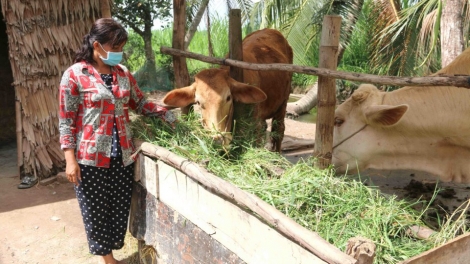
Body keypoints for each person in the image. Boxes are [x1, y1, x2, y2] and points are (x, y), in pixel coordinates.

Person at [58, 18, 176, 264]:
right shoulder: (74, 75)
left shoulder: (123, 74)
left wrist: (170, 114)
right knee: (96, 211)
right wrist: (70, 160)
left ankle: (112, 253)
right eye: (115, 48)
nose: (119, 54)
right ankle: (109, 260)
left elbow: (141, 103)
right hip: (90, 159)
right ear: (97, 46)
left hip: (122, 154)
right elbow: (66, 121)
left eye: (122, 48)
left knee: (119, 207)